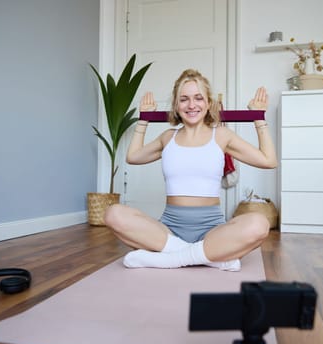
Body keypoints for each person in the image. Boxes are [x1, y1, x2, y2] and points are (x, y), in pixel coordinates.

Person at [104, 69, 277, 272]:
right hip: (169, 229)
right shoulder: (168, 137)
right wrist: (143, 119)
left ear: (209, 102)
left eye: (198, 98)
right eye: (184, 99)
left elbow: (268, 161)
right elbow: (133, 157)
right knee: (113, 214)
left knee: (259, 224)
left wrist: (258, 117)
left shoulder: (222, 135)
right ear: (176, 105)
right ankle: (206, 255)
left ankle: (170, 259)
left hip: (212, 230)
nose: (192, 105)